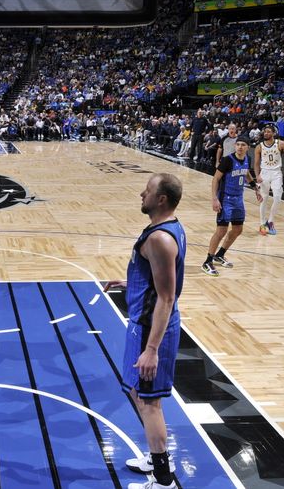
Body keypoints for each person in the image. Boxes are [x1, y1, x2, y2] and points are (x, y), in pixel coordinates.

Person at [104, 173, 185, 489]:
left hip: (153, 331)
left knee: (149, 403)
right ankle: (155, 457)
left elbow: (167, 296)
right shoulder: (163, 231)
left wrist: (152, 349)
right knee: (139, 393)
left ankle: (164, 481)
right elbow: (159, 283)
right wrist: (131, 284)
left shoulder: (161, 239)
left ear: (161, 199)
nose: (142, 194)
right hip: (144, 325)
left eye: (148, 190)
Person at [203, 137, 262, 276]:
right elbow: (216, 178)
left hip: (238, 199)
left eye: (243, 145)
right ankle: (207, 261)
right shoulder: (227, 160)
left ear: (248, 147)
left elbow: (246, 172)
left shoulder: (247, 158)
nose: (240, 147)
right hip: (225, 199)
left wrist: (255, 187)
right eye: (238, 144)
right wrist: (214, 198)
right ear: (235, 146)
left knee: (237, 229)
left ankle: (220, 254)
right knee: (221, 230)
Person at [254, 124, 284, 236]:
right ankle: (262, 223)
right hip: (264, 173)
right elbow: (256, 163)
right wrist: (257, 175)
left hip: (276, 173)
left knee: (278, 197)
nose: (266, 133)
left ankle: (271, 222)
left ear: (273, 133)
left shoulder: (281, 144)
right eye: (265, 132)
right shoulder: (259, 146)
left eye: (269, 132)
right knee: (264, 199)